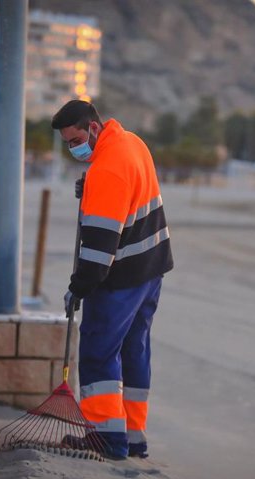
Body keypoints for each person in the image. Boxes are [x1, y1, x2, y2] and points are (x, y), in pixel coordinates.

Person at [51, 100, 173, 460]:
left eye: (75, 139)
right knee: (134, 350)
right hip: (152, 268)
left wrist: (78, 288)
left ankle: (107, 438)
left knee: (98, 350)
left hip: (122, 277)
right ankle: (134, 437)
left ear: (92, 128)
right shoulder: (132, 143)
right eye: (67, 143)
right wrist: (90, 186)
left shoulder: (106, 170)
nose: (73, 148)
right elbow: (129, 193)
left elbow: (99, 252)